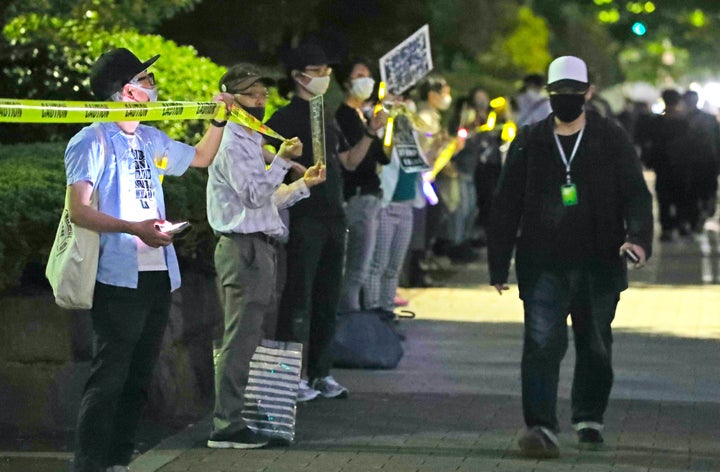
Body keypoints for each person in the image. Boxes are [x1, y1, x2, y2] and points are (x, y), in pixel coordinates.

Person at [68, 48, 230, 472]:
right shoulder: (91, 140)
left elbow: (200, 157)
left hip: (157, 272)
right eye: (147, 79)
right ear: (127, 91)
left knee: (139, 376)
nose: (153, 87)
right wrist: (134, 228)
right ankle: (89, 464)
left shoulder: (149, 139)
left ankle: (119, 460)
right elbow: (79, 211)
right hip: (117, 275)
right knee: (109, 377)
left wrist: (218, 119)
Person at [488, 56, 653, 459]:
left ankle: (589, 417)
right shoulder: (529, 140)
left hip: (599, 259)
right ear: (548, 95)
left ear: (589, 93)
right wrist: (498, 261)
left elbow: (635, 192)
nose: (565, 100)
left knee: (594, 342)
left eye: (573, 93)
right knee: (542, 342)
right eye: (558, 93)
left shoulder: (610, 137)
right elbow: (506, 203)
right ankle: (541, 425)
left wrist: (638, 239)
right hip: (542, 260)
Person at [206, 63, 327, 449]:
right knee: (239, 339)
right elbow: (255, 195)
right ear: (230, 99)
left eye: (263, 95)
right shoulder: (230, 143)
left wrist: (302, 185)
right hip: (243, 250)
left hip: (258, 246)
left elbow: (264, 204)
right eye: (251, 95)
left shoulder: (248, 139)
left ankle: (240, 418)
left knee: (249, 336)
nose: (259, 102)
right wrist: (281, 161)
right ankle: (227, 425)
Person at [266, 43, 386, 402]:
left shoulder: (328, 116)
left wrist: (370, 132)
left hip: (335, 214)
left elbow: (347, 162)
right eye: (318, 71)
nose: (325, 77)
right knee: (297, 298)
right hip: (304, 217)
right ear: (299, 76)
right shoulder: (284, 118)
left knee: (327, 299)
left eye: (327, 72)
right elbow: (265, 164)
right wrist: (288, 166)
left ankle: (320, 373)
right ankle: (291, 377)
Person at [334, 57, 390, 312]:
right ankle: (351, 323)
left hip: (372, 196)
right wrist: (369, 133)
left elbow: (383, 156)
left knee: (368, 267)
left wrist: (383, 129)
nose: (366, 79)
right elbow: (353, 162)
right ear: (346, 82)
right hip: (357, 197)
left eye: (368, 74)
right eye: (359, 75)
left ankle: (366, 317)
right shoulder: (343, 116)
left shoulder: (362, 114)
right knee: (355, 269)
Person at [681, 90, 720, 232]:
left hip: (706, 162)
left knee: (706, 192)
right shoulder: (682, 120)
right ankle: (696, 219)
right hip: (692, 163)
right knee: (694, 193)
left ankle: (702, 214)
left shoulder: (708, 119)